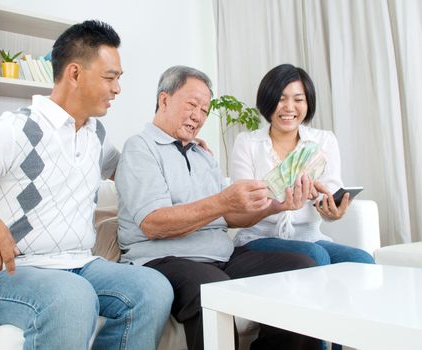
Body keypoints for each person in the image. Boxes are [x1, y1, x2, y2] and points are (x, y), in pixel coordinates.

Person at [0, 20, 173, 350]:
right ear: (74, 74)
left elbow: (135, 174)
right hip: (19, 272)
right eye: (110, 77)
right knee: (70, 297)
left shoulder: (97, 136)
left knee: (153, 288)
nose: (117, 89)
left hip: (82, 264)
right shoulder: (14, 129)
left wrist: (178, 142)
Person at [115, 65, 322, 350]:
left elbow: (229, 216)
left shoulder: (203, 155)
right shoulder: (140, 148)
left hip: (221, 256)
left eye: (204, 110)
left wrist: (275, 206)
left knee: (301, 269)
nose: (198, 116)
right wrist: (223, 200)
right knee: (211, 287)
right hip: (163, 259)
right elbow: (154, 223)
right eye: (192, 105)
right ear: (164, 100)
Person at [230, 63, 374, 267]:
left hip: (310, 237)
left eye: (298, 99)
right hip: (257, 238)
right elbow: (241, 207)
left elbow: (330, 195)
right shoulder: (247, 143)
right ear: (267, 101)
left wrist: (331, 210)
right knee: (315, 256)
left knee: (362, 260)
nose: (289, 107)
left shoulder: (324, 140)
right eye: (280, 99)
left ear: (308, 103)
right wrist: (277, 203)